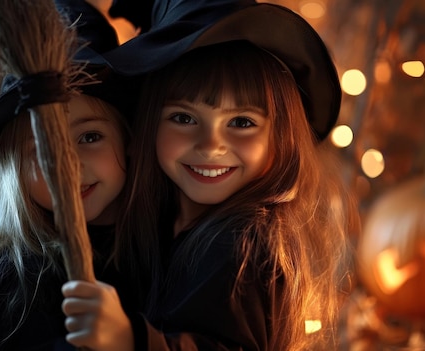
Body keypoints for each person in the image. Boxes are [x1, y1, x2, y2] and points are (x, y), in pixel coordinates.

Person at [60, 2, 358, 350]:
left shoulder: (244, 244)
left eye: (242, 122)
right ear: (149, 122)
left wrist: (133, 340)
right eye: (184, 118)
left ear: (280, 138)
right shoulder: (162, 222)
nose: (211, 146)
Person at [0, 1, 150, 349]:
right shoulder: (12, 289)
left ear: (128, 139)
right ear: (15, 170)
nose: (66, 167)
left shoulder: (156, 253)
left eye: (90, 137)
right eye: (41, 148)